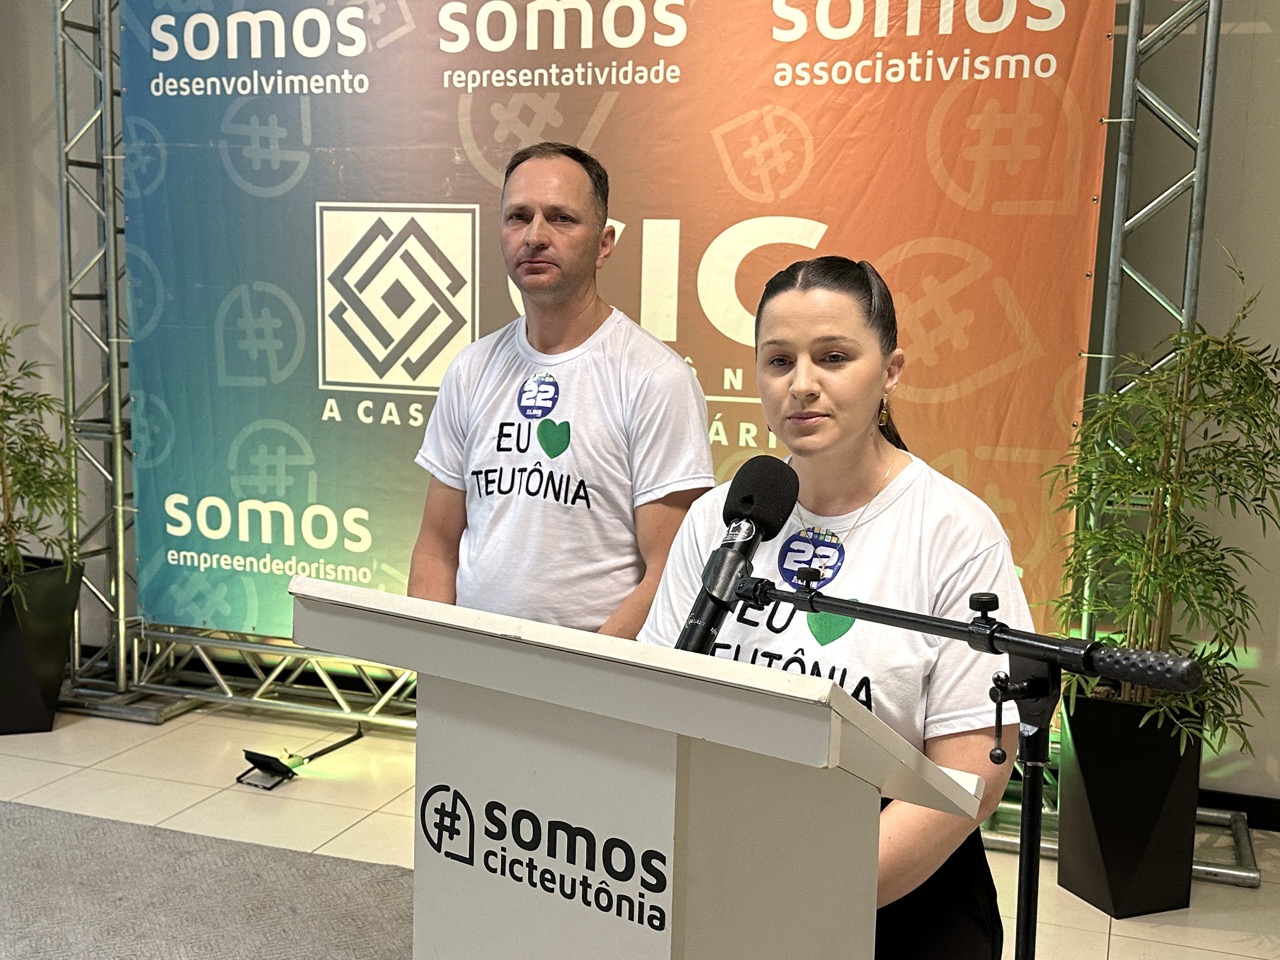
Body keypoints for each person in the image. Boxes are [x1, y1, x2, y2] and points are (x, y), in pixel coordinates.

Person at [639, 255, 1023, 959]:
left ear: (891, 370)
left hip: (897, 882)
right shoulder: (720, 520)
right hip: (727, 854)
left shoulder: (955, 532)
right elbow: (658, 702)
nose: (802, 384)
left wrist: (807, 891)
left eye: (834, 357)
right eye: (779, 361)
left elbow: (972, 767)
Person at [409, 142, 714, 637]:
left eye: (561, 218)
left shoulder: (656, 379)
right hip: (464, 669)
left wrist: (579, 673)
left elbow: (671, 572)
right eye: (518, 217)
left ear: (604, 243)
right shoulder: (470, 369)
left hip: (592, 677)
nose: (534, 236)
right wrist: (432, 656)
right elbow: (436, 547)